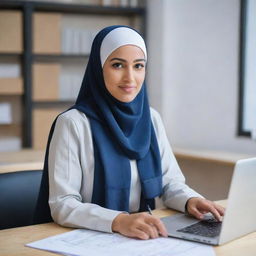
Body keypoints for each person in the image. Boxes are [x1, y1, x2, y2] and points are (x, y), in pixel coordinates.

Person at [37, 25, 224, 240]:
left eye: (138, 66)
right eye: (117, 65)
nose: (130, 78)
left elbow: (170, 182)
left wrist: (190, 200)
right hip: (91, 237)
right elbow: (63, 204)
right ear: (99, 68)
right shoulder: (73, 123)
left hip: (142, 234)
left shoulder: (151, 118)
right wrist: (118, 221)